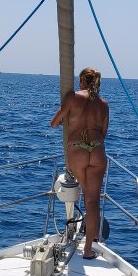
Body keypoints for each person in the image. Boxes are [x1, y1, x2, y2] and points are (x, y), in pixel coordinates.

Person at [50, 67, 109, 259]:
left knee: (85, 196)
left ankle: (80, 239)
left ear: (82, 81)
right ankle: (88, 250)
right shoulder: (103, 104)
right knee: (92, 201)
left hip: (77, 150)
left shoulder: (72, 97)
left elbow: (54, 122)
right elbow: (104, 132)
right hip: (98, 150)